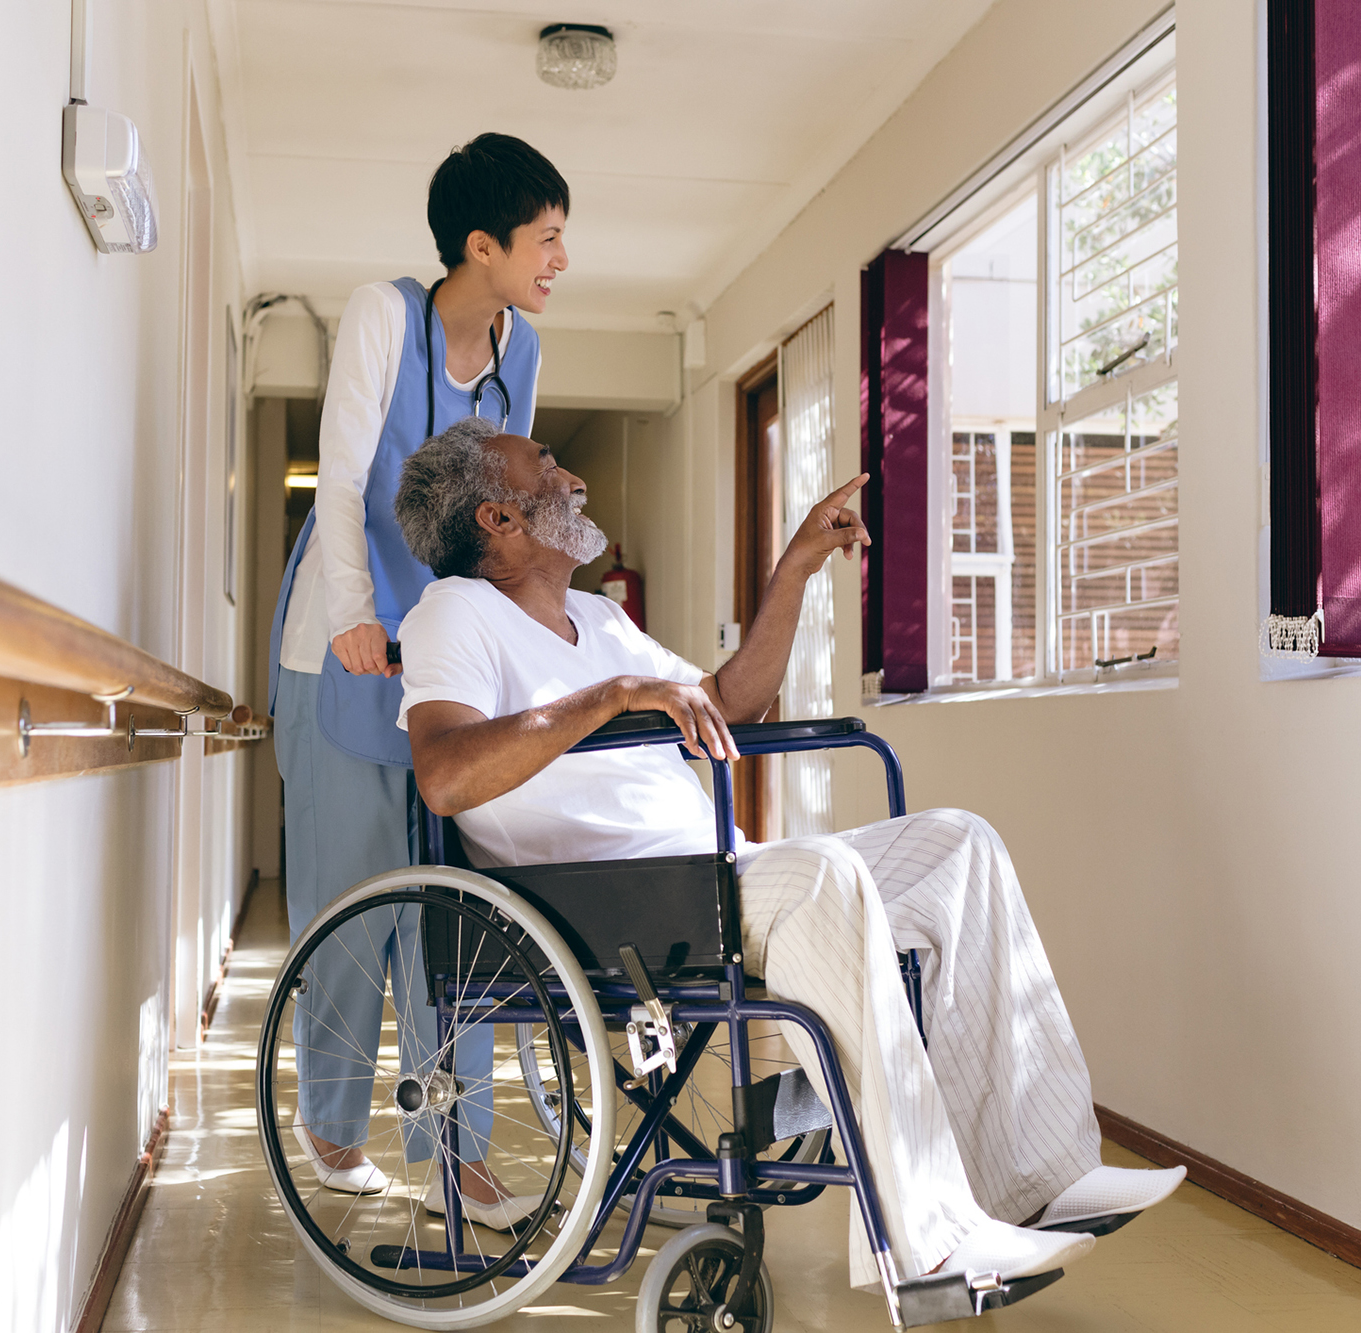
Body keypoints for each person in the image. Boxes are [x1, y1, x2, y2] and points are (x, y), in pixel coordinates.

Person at [389, 416, 1188, 1290]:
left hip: (711, 874)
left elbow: (728, 702)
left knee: (961, 842)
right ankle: (933, 1249)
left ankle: (1047, 1179)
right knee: (827, 876)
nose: (569, 475)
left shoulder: (599, 617)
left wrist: (798, 565)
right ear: (497, 520)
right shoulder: (451, 615)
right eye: (543, 464)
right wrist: (615, 697)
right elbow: (446, 773)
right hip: (615, 902)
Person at [266, 134, 569, 1229]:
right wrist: (354, 614)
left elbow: (505, 510)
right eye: (544, 239)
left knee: (458, 915)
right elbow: (343, 479)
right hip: (342, 653)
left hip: (443, 659)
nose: (558, 259)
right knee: (350, 908)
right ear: (478, 245)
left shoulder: (518, 350)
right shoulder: (382, 316)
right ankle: (333, 1122)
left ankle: (461, 1157)